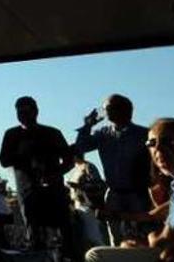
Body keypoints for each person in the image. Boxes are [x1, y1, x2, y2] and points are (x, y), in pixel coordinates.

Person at [85, 118, 174, 262]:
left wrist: (150, 238)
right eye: (152, 143)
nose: (158, 149)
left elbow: (170, 239)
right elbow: (155, 217)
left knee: (96, 255)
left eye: (168, 141)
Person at [71, 94, 153, 246]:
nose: (105, 112)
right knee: (115, 238)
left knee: (143, 236)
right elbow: (81, 147)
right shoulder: (103, 134)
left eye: (108, 108)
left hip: (139, 194)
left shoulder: (144, 134)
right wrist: (87, 125)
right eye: (105, 109)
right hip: (114, 193)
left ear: (124, 110)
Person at [0, 96, 75, 256]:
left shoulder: (52, 133)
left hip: (54, 192)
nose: (23, 115)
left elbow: (69, 160)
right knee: (34, 237)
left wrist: (54, 174)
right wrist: (22, 154)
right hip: (28, 192)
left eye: (27, 111)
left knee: (64, 237)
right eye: (19, 112)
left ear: (36, 112)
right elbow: (4, 161)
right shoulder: (12, 134)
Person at [69, 153, 110, 250]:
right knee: (86, 238)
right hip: (78, 206)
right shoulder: (75, 170)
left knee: (95, 237)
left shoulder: (88, 167)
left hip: (89, 206)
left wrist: (80, 186)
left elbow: (98, 184)